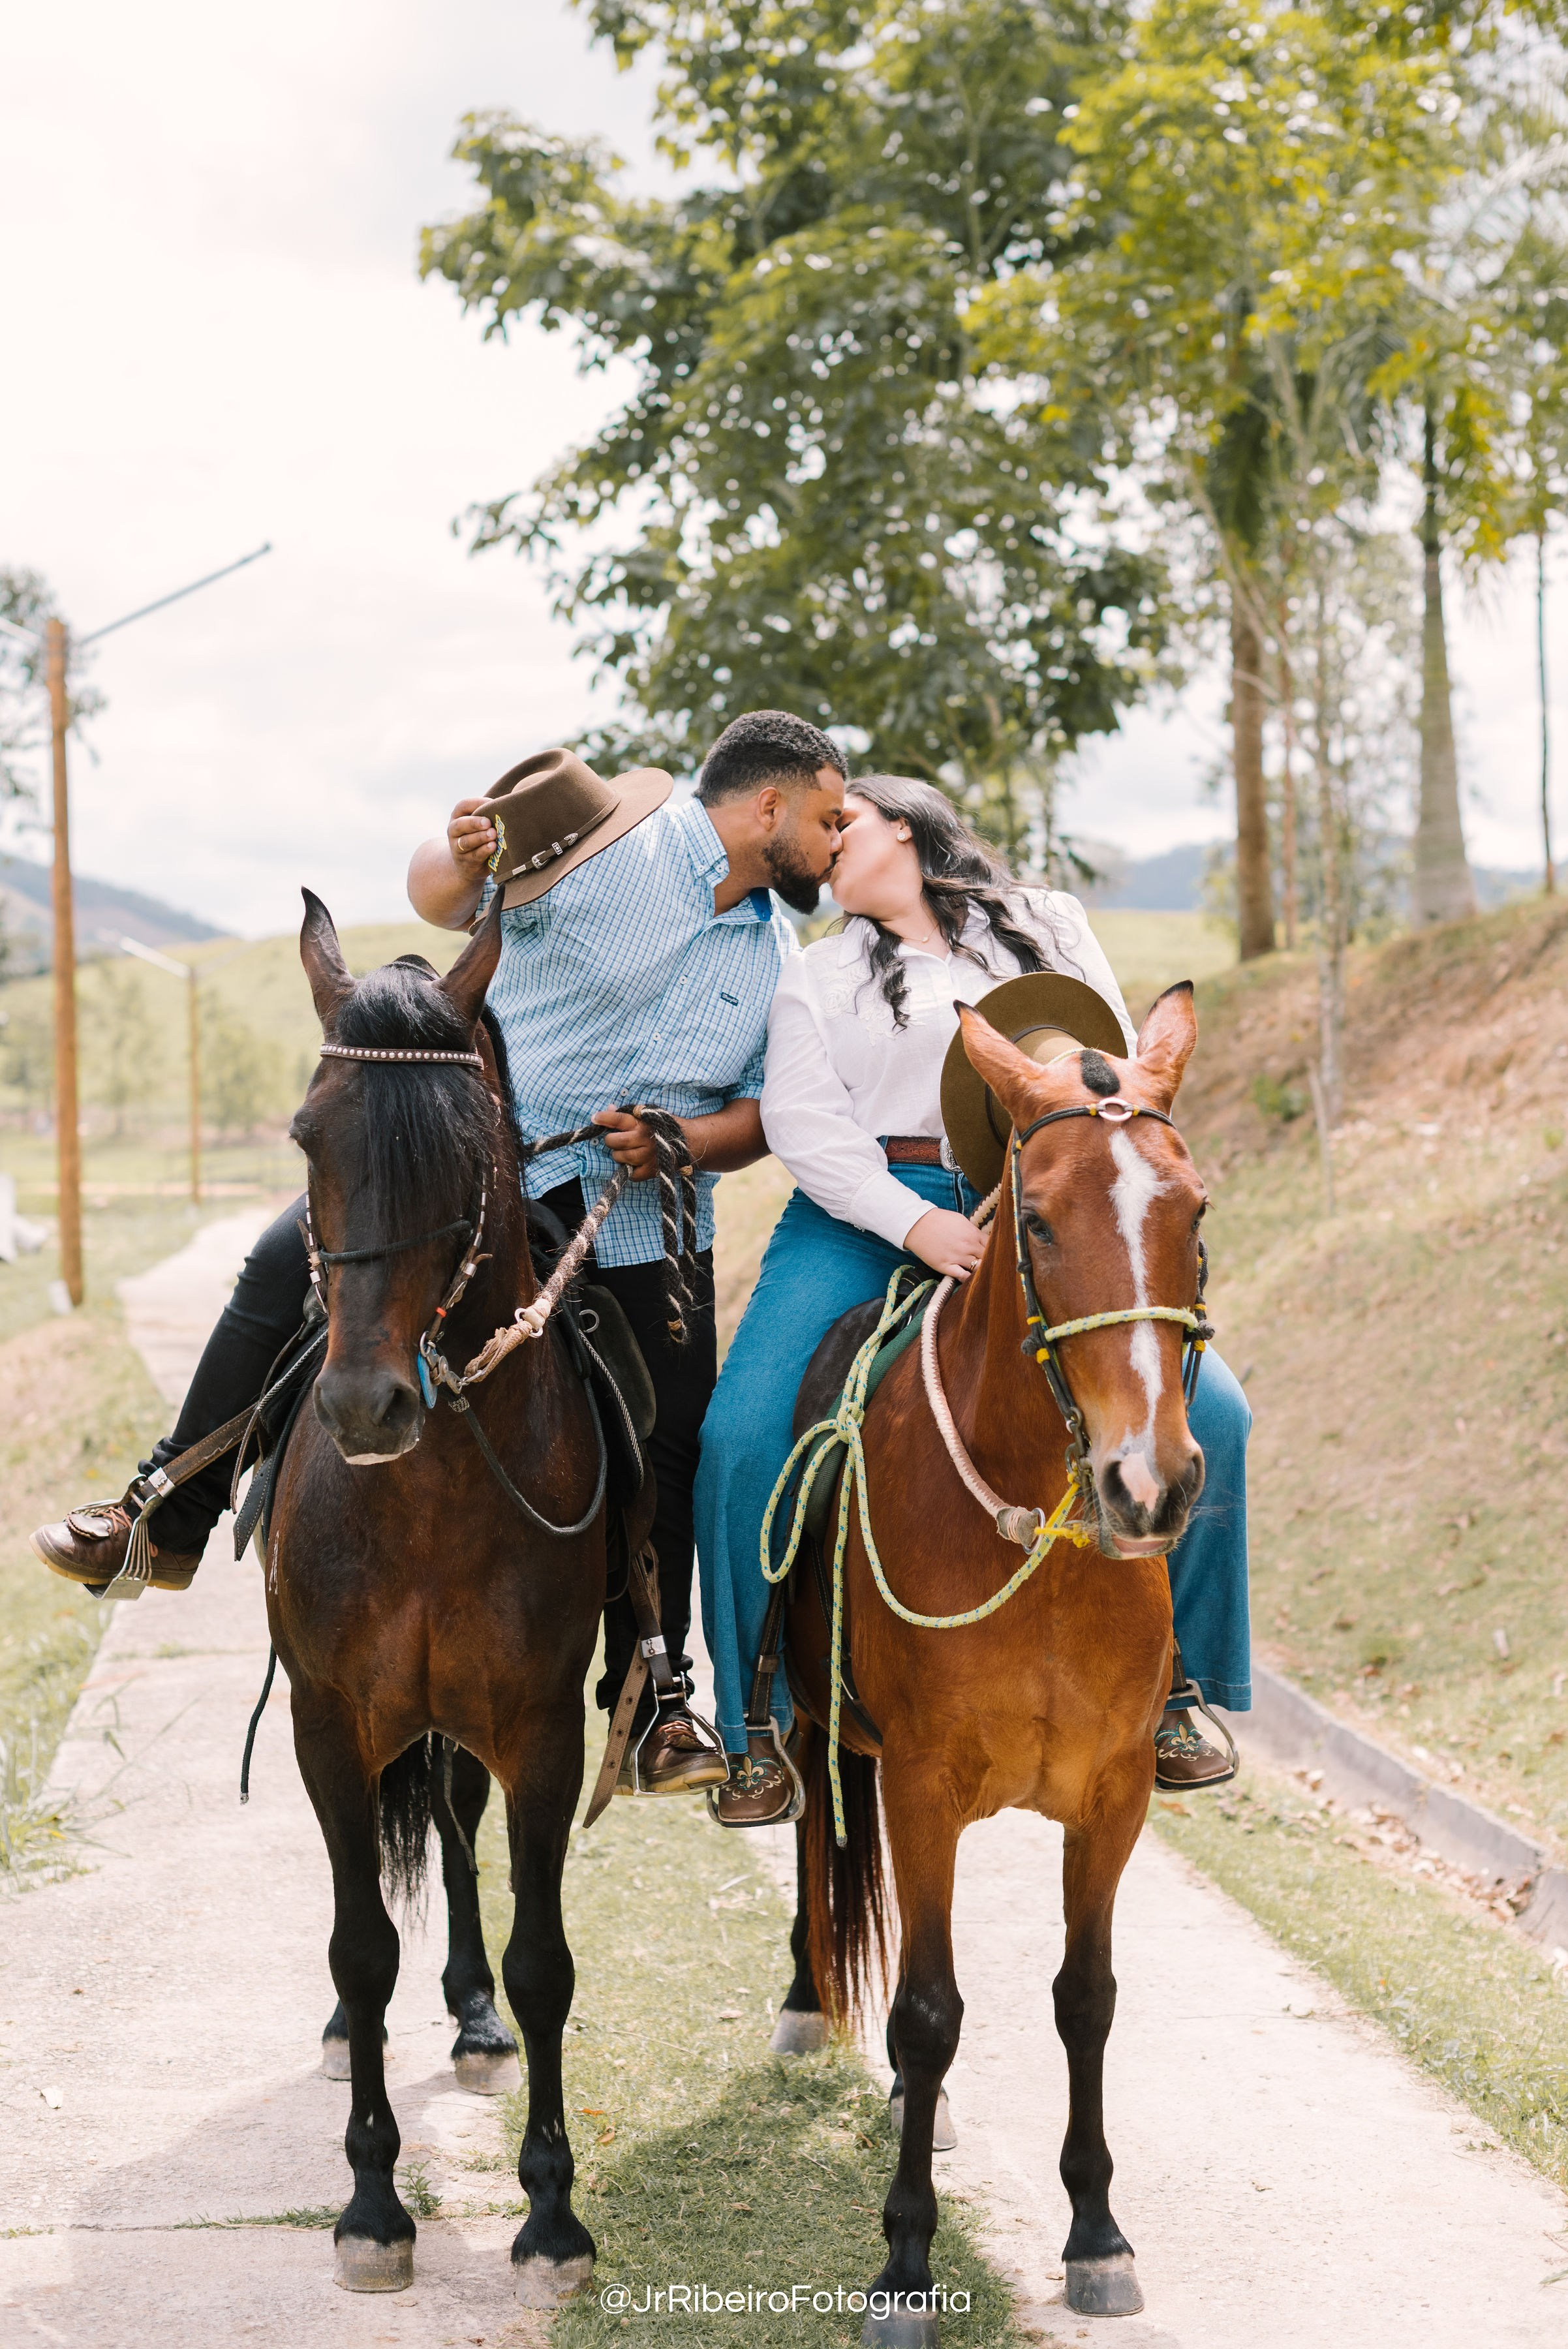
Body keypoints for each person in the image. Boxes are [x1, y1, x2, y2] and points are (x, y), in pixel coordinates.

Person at [32, 712, 848, 1797]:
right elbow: (447, 896)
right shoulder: (617, 843)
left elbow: (768, 1113)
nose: (840, 842)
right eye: (832, 818)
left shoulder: (778, 955)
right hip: (473, 1175)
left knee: (675, 1433)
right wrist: (453, 849)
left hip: (642, 1216)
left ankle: (657, 1694)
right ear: (768, 807)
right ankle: (165, 1516)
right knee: (284, 1264)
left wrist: (686, 1141)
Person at [694, 775, 1252, 1826]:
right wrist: (918, 1227)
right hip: (868, 1210)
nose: (826, 849)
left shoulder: (1050, 925)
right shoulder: (811, 975)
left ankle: (1181, 1690)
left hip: (1044, 1194)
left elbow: (1111, 1080)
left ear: (902, 826)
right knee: (741, 1436)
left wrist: (1038, 1201)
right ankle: (754, 1723)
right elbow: (807, 1128)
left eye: (842, 826)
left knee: (1216, 1409)